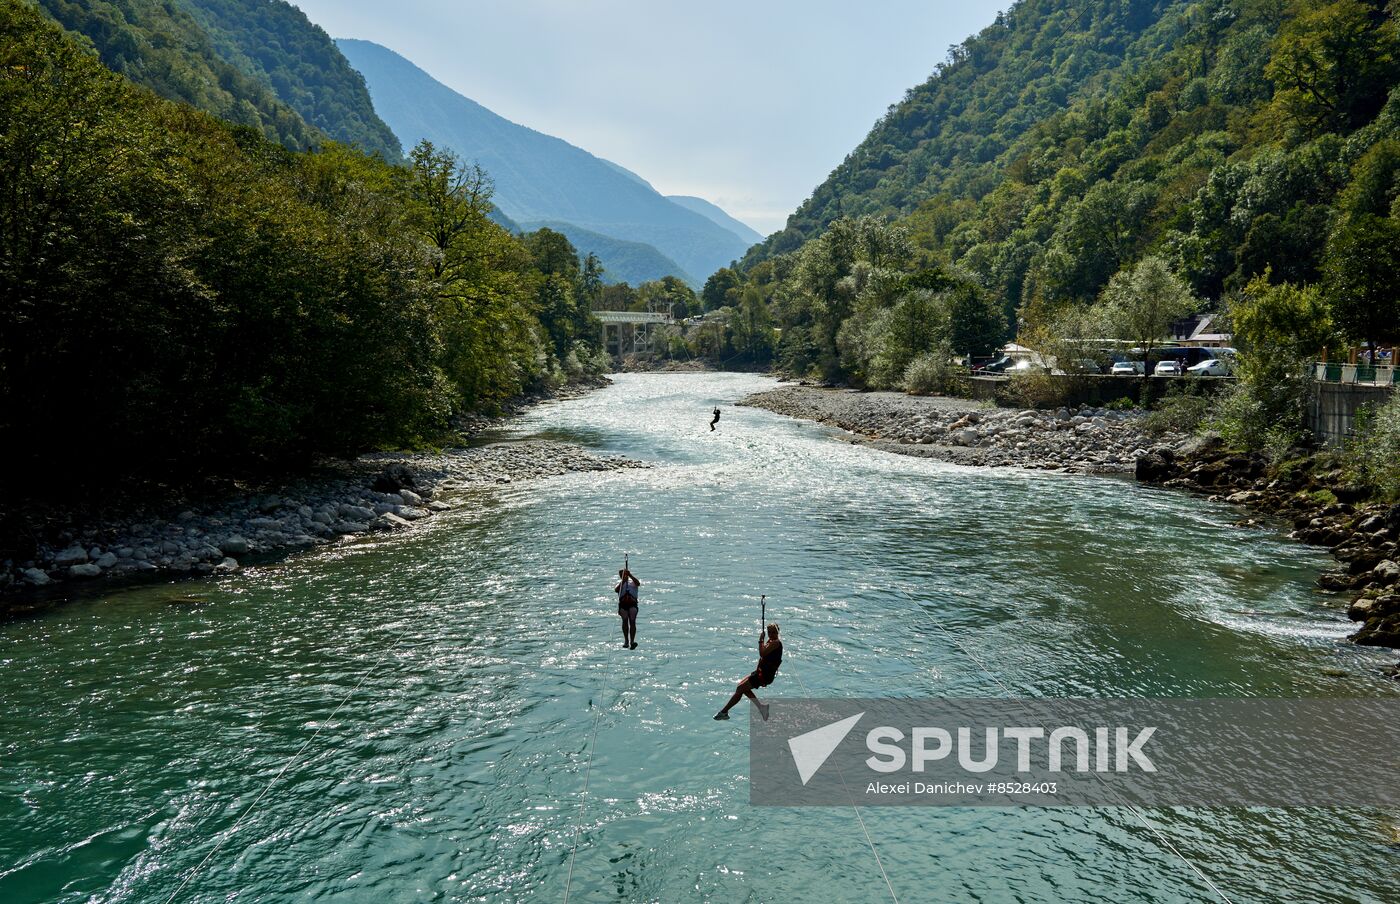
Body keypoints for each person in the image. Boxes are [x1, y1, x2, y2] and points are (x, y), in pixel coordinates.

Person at [715, 623, 782, 721]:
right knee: (740, 688)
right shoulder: (771, 641)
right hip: (760, 672)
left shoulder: (776, 643)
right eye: (769, 632)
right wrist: (764, 641)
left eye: (774, 632)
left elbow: (762, 653)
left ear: (778, 632)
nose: (771, 634)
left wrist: (760, 640)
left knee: (740, 689)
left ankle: (724, 712)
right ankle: (761, 708)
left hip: (764, 676)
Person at [614, 566, 640, 649]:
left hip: (632, 604)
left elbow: (638, 583)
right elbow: (616, 590)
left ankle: (632, 641)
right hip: (623, 605)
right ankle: (626, 641)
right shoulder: (620, 585)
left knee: (632, 621)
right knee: (625, 620)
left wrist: (630, 575)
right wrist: (623, 581)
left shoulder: (632, 583)